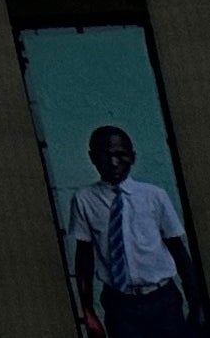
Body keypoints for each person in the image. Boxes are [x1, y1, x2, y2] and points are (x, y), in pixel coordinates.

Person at [70, 124, 201, 337]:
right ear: (93, 158)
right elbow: (84, 258)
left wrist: (196, 303)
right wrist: (88, 311)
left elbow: (178, 249)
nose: (113, 162)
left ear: (132, 157)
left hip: (162, 298)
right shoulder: (84, 200)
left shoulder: (154, 196)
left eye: (120, 155)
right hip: (120, 304)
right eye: (106, 155)